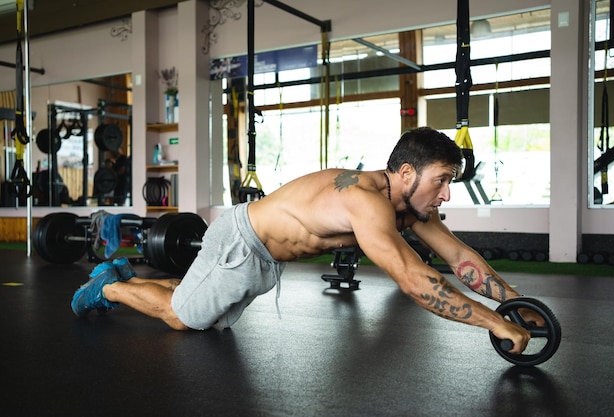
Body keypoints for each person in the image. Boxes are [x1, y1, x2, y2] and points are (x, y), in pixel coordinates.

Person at [72, 126, 541, 353]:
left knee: (209, 312)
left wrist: (516, 304)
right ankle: (105, 287)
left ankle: (119, 273)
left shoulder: (410, 207)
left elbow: (459, 257)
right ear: (405, 172)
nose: (446, 192)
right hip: (240, 240)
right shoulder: (366, 200)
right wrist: (494, 324)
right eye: (441, 180)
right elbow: (416, 280)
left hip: (263, 257)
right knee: (184, 319)